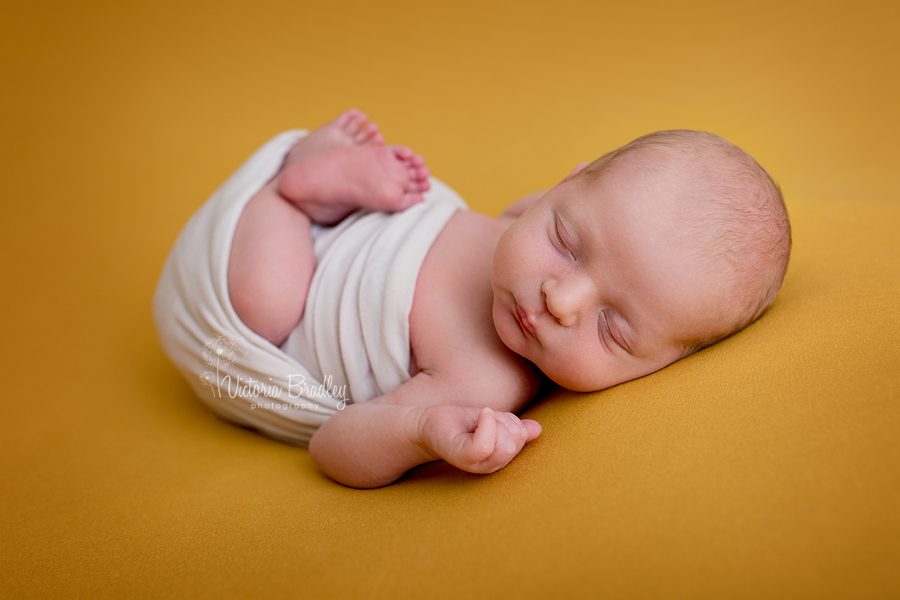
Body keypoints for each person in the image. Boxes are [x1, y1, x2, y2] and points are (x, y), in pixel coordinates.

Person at [157, 109, 791, 489]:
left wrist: (420, 433)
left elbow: (333, 446)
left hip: (263, 307)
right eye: (567, 241)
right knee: (417, 192)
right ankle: (317, 183)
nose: (561, 300)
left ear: (659, 367)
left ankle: (292, 193)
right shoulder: (521, 219)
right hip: (359, 228)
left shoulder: (480, 382)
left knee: (265, 300)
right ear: (561, 187)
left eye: (614, 330)